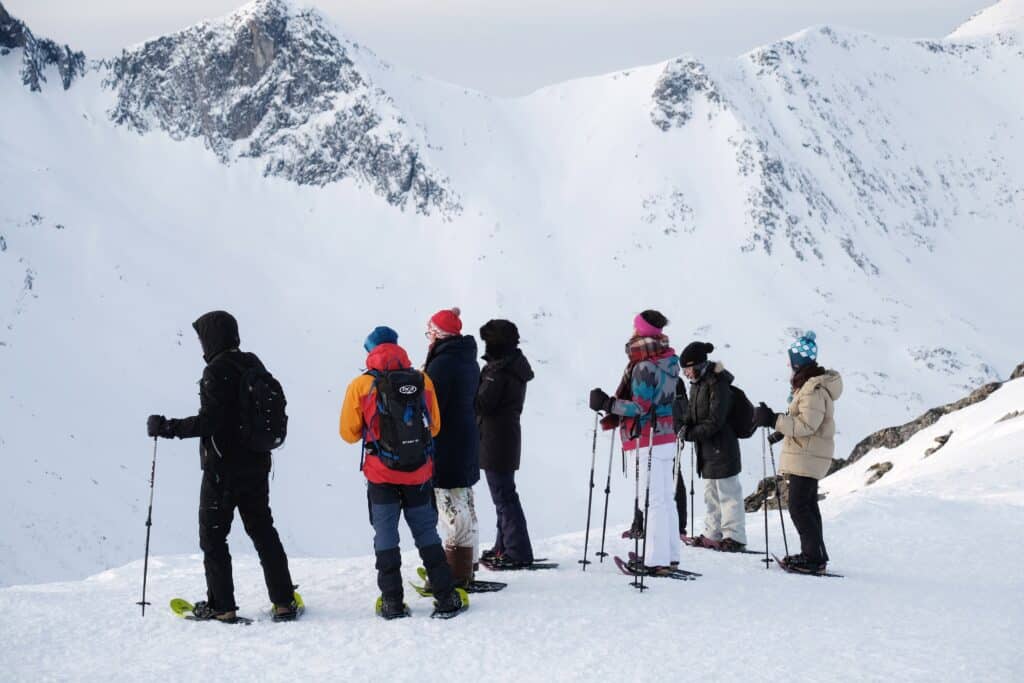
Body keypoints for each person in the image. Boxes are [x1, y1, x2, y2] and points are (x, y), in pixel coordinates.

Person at [146, 310, 298, 623]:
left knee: (213, 538)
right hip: (257, 464)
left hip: (223, 470)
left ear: (211, 338)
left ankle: (222, 607)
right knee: (263, 531)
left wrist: (167, 427)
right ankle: (284, 602)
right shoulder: (253, 363)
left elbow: (209, 422)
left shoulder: (216, 371)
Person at [339, 325, 466, 619]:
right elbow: (435, 427)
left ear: (370, 350)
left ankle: (392, 602)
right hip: (419, 473)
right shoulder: (422, 380)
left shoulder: (360, 385)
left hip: (380, 474)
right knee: (426, 532)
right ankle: (446, 597)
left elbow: (348, 433)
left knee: (386, 535)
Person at [589, 310, 680, 575]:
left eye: (636, 327)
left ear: (643, 331)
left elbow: (640, 407)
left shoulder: (643, 366)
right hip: (666, 434)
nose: (633, 331)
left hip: (646, 437)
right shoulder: (669, 360)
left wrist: (608, 404)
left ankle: (655, 560)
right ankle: (669, 555)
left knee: (650, 501)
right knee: (665, 498)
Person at [753, 330, 843, 574]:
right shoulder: (809, 386)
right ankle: (816, 556)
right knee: (807, 506)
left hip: (807, 455)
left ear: (798, 363)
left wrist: (773, 419)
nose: (787, 364)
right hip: (809, 454)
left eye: (790, 360)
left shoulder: (812, 389)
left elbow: (806, 425)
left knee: (799, 507)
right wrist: (780, 430)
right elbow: (804, 420)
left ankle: (812, 558)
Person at [423, 308, 482, 583]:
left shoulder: (442, 364)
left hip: (447, 443)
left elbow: (433, 409)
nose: (428, 337)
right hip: (466, 439)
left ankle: (456, 572)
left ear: (439, 334)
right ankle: (468, 563)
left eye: (430, 331)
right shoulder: (466, 359)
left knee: (450, 505)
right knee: (465, 501)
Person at [476, 319, 535, 568]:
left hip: (495, 439)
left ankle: (516, 550)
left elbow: (483, 404)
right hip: (504, 437)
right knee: (504, 495)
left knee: (504, 496)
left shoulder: (499, 371)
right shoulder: (511, 366)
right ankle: (504, 545)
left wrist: (471, 386)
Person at [678, 341, 748, 551]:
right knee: (711, 494)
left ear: (699, 365)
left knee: (728, 493)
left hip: (723, 447)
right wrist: (683, 425)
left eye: (688, 369)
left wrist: (690, 433)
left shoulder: (718, 383)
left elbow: (715, 421)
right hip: (707, 449)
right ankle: (713, 533)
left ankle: (734, 537)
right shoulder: (698, 385)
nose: (686, 374)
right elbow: (694, 414)